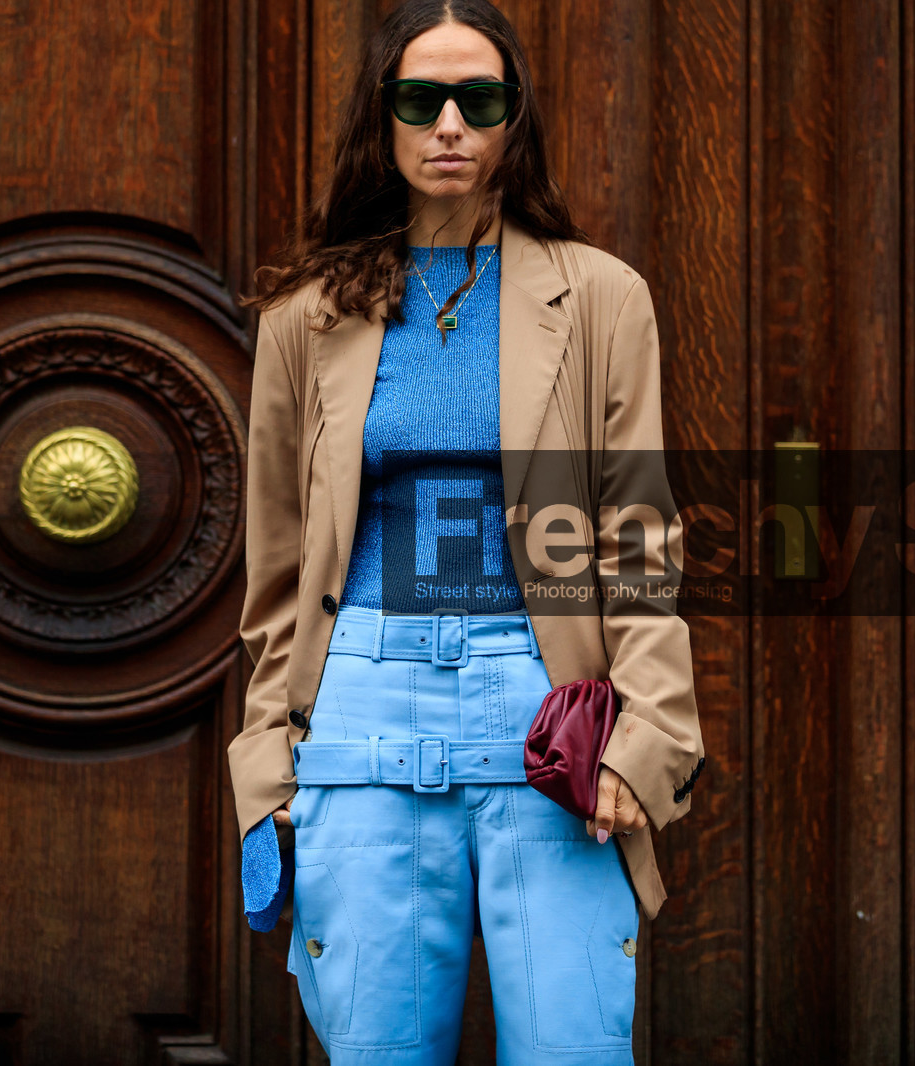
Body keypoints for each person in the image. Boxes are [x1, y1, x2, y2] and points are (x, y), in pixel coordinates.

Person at [229, 1, 708, 1062]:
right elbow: (274, 568)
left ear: (513, 121)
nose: (449, 122)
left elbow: (638, 537)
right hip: (360, 700)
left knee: (572, 1046)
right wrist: (266, 764)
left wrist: (648, 734)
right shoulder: (305, 318)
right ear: (383, 119)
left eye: (478, 99)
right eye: (420, 98)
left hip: (550, 714)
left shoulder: (600, 299)